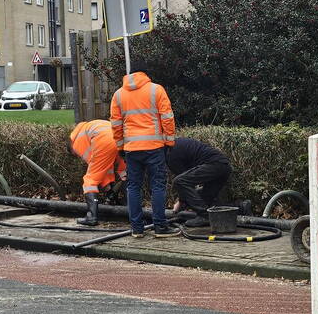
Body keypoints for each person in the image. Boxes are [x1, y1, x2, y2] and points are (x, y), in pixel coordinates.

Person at [110, 68, 177, 238]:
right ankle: (160, 227)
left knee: (133, 187)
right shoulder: (156, 90)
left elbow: (116, 125)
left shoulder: (118, 95)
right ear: (145, 74)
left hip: (131, 148)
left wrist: (120, 147)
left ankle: (137, 229)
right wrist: (169, 142)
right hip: (154, 147)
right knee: (158, 186)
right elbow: (167, 118)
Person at [68, 119, 126, 226]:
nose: (78, 156)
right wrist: (108, 188)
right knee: (124, 174)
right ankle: (129, 207)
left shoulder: (76, 143)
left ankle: (91, 216)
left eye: (75, 155)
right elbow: (105, 167)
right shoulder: (88, 128)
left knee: (89, 181)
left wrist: (104, 184)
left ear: (71, 147)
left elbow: (95, 167)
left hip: (105, 141)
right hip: (120, 139)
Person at [166, 137, 231, 228]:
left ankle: (204, 216)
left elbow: (183, 182)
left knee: (179, 181)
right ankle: (241, 207)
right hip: (224, 166)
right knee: (205, 200)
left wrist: (180, 202)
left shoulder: (171, 156)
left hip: (213, 165)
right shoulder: (176, 143)